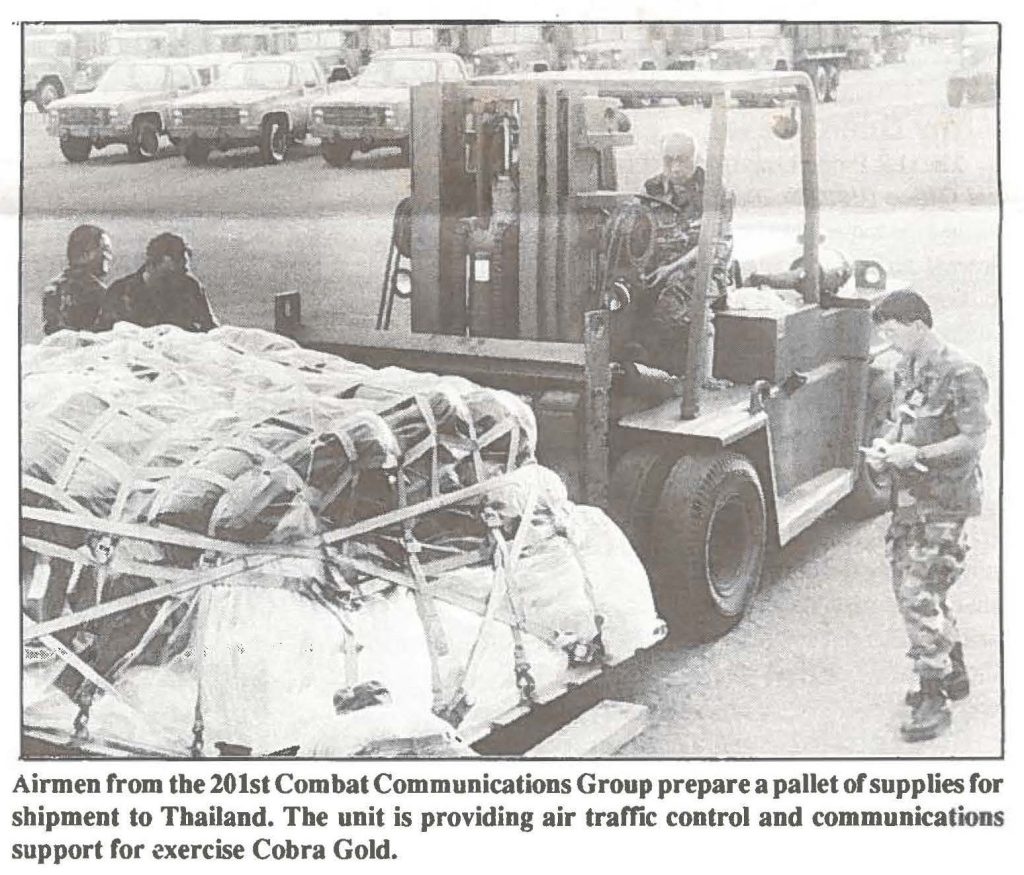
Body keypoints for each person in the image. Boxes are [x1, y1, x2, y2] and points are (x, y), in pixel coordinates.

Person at [867, 290, 989, 743]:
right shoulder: (906, 368)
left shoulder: (961, 371)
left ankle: (933, 694)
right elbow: (901, 422)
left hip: (944, 500)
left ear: (918, 325)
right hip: (910, 499)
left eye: (892, 329)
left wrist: (916, 453)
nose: (887, 338)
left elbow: (973, 439)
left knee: (917, 592)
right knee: (927, 585)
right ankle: (954, 673)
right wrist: (886, 450)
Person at [628, 131, 734, 384]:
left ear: (696, 159)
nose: (675, 168)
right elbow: (638, 231)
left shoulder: (715, 190)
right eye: (669, 160)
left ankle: (693, 377)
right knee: (619, 299)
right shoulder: (651, 189)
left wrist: (669, 269)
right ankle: (639, 368)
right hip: (660, 267)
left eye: (683, 160)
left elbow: (711, 244)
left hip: (704, 267)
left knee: (672, 302)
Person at [98, 233, 218, 333]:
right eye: (172, 273)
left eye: (184, 271)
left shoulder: (191, 287)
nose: (181, 279)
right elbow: (103, 333)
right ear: (152, 265)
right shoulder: (120, 291)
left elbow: (211, 328)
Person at [41, 225, 113, 335]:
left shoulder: (52, 289)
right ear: (85, 254)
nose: (109, 257)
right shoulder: (99, 292)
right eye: (105, 250)